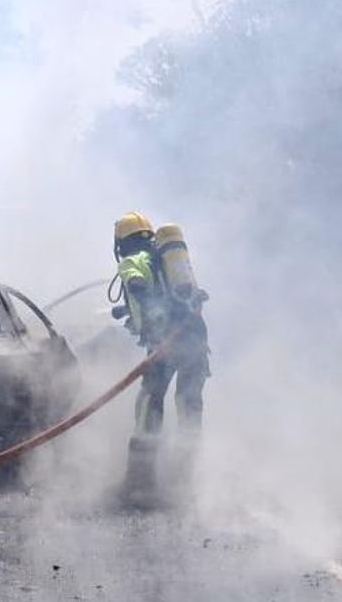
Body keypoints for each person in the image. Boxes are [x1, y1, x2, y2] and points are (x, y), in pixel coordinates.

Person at [112, 211, 210, 496]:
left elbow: (135, 281)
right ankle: (185, 483)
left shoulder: (132, 262)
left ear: (122, 243)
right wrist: (128, 309)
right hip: (196, 337)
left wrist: (142, 296)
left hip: (165, 343)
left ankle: (139, 483)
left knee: (149, 402)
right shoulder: (165, 260)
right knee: (188, 403)